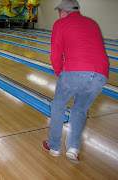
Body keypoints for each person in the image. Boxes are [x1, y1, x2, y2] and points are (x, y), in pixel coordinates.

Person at [42, 0, 109, 163]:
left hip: (75, 70)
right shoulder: (92, 23)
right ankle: (73, 148)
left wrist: (60, 73)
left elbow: (55, 54)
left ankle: (54, 146)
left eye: (59, 12)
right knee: (79, 110)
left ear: (63, 12)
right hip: (101, 74)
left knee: (58, 106)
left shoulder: (61, 23)